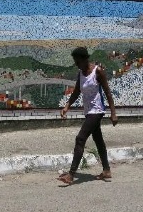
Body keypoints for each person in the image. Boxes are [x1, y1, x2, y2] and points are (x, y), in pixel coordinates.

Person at [58, 47, 118, 185]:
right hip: (89, 112)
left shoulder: (98, 72)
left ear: (85, 59)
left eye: (78, 61)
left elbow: (108, 93)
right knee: (98, 140)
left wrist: (113, 113)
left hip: (97, 111)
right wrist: (67, 106)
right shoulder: (80, 73)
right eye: (75, 62)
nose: (77, 64)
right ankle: (106, 170)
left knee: (80, 139)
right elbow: (76, 91)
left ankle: (71, 174)